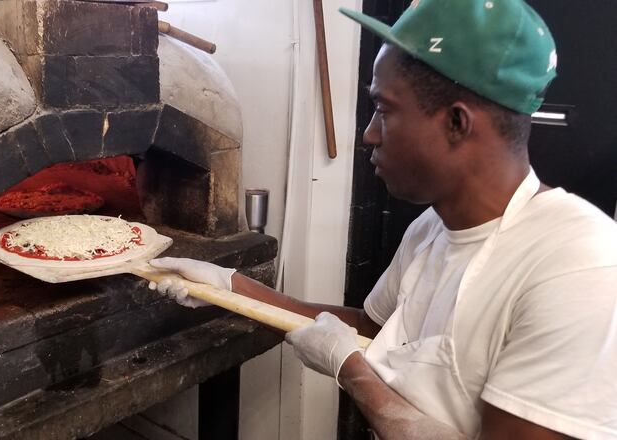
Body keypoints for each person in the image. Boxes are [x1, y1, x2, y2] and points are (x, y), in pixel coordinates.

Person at [149, 0, 617, 438]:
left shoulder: (579, 265)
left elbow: (352, 350)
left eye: (383, 110)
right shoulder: (432, 228)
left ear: (458, 122)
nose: (369, 135)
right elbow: (372, 329)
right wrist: (228, 287)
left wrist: (351, 371)